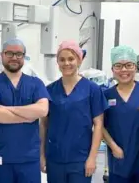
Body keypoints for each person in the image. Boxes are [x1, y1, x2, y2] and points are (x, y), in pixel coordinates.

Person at [0, 38, 50, 183]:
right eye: (9, 53)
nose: (14, 58)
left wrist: (5, 109)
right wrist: (28, 115)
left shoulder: (35, 83)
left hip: (29, 158)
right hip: (0, 157)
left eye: (19, 54)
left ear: (24, 56)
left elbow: (43, 110)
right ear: (2, 55)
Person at [40, 40, 108, 183]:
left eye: (71, 59)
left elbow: (98, 124)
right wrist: (42, 155)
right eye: (62, 60)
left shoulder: (92, 90)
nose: (66, 63)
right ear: (57, 63)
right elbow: (44, 124)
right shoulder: (49, 90)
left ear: (79, 60)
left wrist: (92, 158)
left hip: (80, 159)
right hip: (55, 158)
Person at [102, 45, 139, 183]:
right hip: (119, 157)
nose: (124, 70)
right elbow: (99, 125)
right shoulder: (106, 95)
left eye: (129, 65)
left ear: (135, 67)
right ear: (112, 70)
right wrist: (113, 146)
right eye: (118, 66)